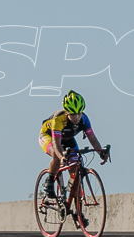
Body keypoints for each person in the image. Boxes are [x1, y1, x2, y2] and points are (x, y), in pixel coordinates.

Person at [38, 90, 109, 229]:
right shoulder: (59, 119)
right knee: (56, 155)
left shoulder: (84, 119)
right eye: (73, 114)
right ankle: (50, 180)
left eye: (79, 113)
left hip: (69, 140)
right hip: (49, 138)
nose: (76, 117)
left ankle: (77, 212)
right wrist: (62, 156)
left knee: (76, 172)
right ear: (66, 113)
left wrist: (101, 152)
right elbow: (57, 145)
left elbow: (93, 139)